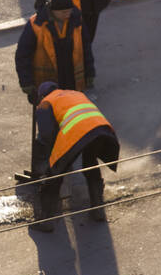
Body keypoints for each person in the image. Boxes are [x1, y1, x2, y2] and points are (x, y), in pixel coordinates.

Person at [30, 82, 120, 233]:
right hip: (101, 129)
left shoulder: (46, 102)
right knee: (90, 163)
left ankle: (46, 221)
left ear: (42, 95)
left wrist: (49, 160)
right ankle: (98, 209)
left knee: (55, 175)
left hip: (76, 134)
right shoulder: (75, 93)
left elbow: (46, 135)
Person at [15, 0, 88, 105]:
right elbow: (23, 55)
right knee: (50, 114)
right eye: (64, 12)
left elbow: (86, 48)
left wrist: (89, 73)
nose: (67, 15)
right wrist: (26, 82)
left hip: (71, 79)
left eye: (69, 11)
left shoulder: (76, 20)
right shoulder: (36, 25)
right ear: (54, 11)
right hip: (46, 82)